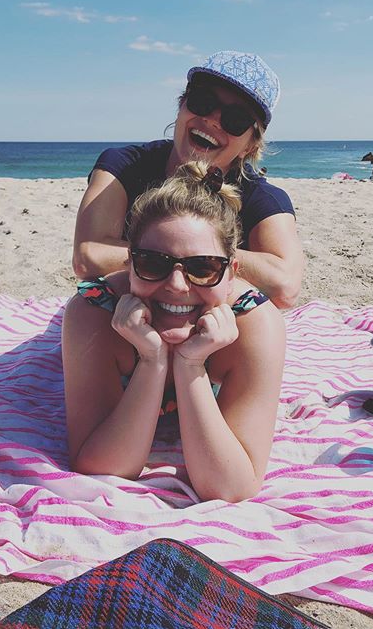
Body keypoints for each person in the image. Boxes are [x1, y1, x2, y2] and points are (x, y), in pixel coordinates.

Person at [63, 161, 286, 503]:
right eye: (153, 263)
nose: (177, 285)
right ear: (129, 263)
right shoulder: (93, 313)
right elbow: (101, 469)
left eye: (203, 268)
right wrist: (152, 361)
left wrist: (190, 364)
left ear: (232, 274)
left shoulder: (255, 324)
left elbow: (231, 487)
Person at [73, 51, 303, 309]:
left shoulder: (262, 198)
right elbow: (88, 257)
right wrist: (205, 266)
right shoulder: (124, 166)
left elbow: (285, 287)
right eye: (203, 101)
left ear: (250, 146)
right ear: (181, 105)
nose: (213, 120)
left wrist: (167, 260)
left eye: (235, 119)